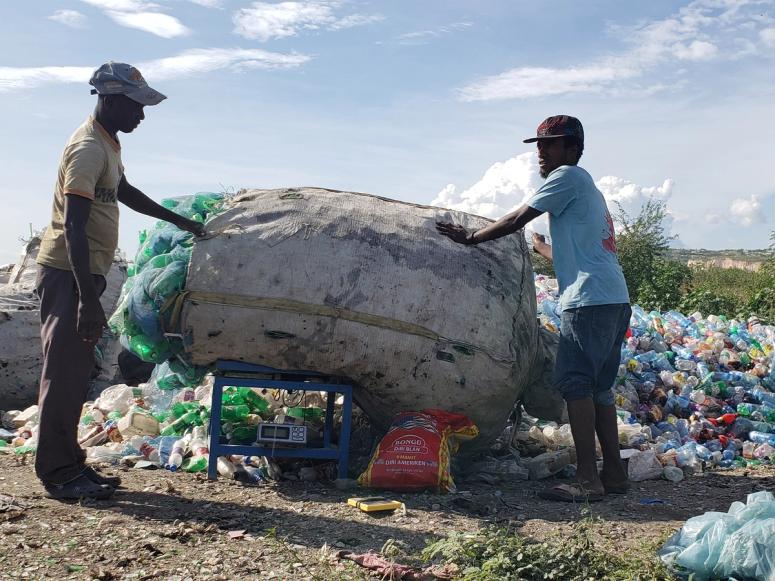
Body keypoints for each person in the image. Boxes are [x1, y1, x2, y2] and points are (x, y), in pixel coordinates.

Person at [436, 115, 631, 502]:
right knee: (601, 389)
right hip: (613, 298)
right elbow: (577, 251)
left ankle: (587, 481)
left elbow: (515, 217)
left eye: (550, 144)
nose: (540, 153)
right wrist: (540, 246)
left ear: (572, 148)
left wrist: (471, 237)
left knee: (576, 385)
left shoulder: (567, 177)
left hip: (587, 302)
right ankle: (614, 474)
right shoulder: (587, 188)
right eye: (538, 145)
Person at [35, 62, 205, 500]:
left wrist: (181, 221)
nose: (141, 116)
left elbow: (125, 192)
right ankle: (56, 473)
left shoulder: (109, 144)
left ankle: (71, 463)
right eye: (135, 106)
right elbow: (73, 226)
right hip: (68, 273)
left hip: (86, 273)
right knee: (64, 373)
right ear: (109, 99)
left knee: (78, 372)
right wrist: (88, 301)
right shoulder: (88, 148)